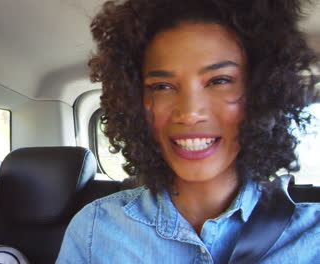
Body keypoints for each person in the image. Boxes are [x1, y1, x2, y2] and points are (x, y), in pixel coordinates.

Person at [56, 0, 319, 263]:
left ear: (261, 94)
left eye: (219, 81)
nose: (190, 113)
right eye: (162, 86)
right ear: (137, 103)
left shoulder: (313, 238)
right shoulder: (95, 231)